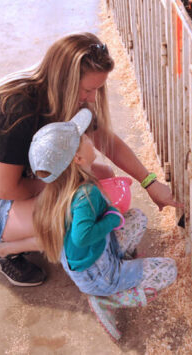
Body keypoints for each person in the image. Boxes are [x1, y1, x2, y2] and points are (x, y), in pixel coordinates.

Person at [0, 32, 182, 287]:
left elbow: (107, 141)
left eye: (97, 90)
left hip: (17, 182)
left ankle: (47, 235)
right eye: (88, 90)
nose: (92, 99)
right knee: (78, 213)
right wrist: (70, 180)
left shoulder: (62, 95)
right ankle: (3, 251)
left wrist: (150, 182)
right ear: (66, 80)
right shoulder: (14, 110)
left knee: (102, 179)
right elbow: (4, 189)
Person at [28, 110, 177, 341]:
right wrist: (111, 219)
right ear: (77, 159)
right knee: (169, 270)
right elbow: (81, 236)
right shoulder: (85, 194)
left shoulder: (60, 189)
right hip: (99, 274)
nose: (89, 138)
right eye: (84, 138)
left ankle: (120, 265)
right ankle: (109, 297)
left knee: (138, 218)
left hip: (95, 258)